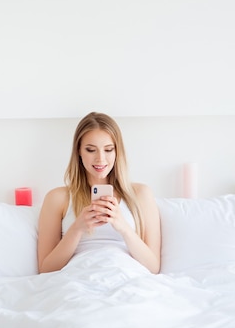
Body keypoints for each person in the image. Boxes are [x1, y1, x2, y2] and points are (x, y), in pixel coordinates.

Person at [37, 112, 161, 274]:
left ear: (117, 152)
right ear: (79, 152)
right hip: (78, 278)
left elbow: (153, 267)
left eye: (108, 150)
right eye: (91, 150)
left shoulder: (140, 194)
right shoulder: (57, 198)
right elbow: (46, 270)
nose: (100, 159)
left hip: (125, 276)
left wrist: (123, 227)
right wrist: (77, 228)